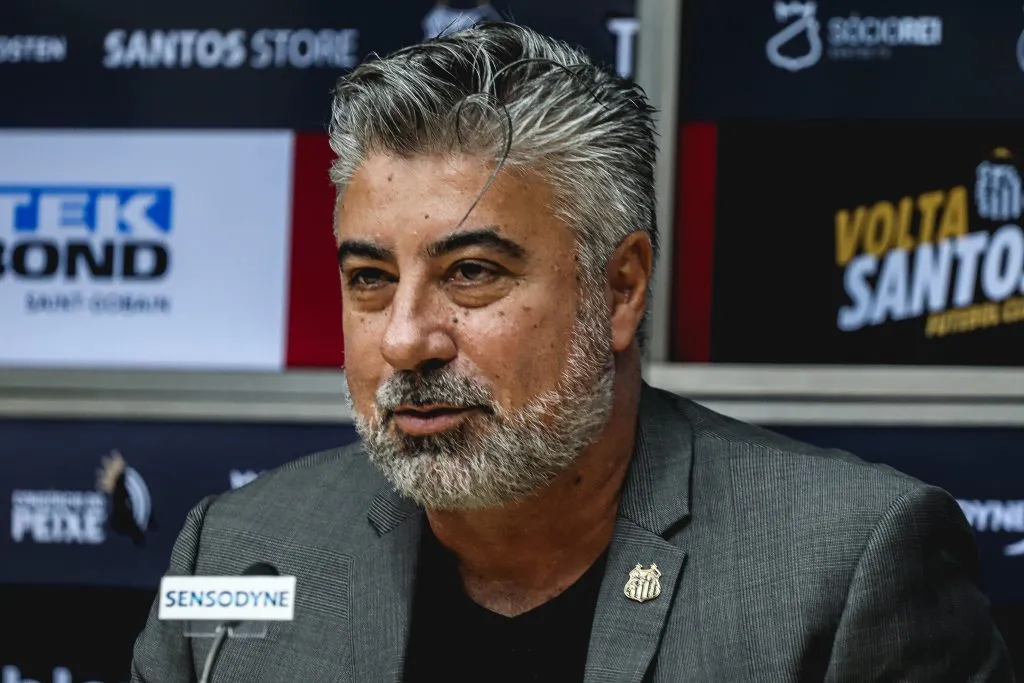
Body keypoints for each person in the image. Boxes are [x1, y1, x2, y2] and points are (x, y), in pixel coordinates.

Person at [130, 21, 1013, 683]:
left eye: (470, 272)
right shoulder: (236, 554)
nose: (403, 337)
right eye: (369, 278)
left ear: (620, 288)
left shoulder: (846, 568)